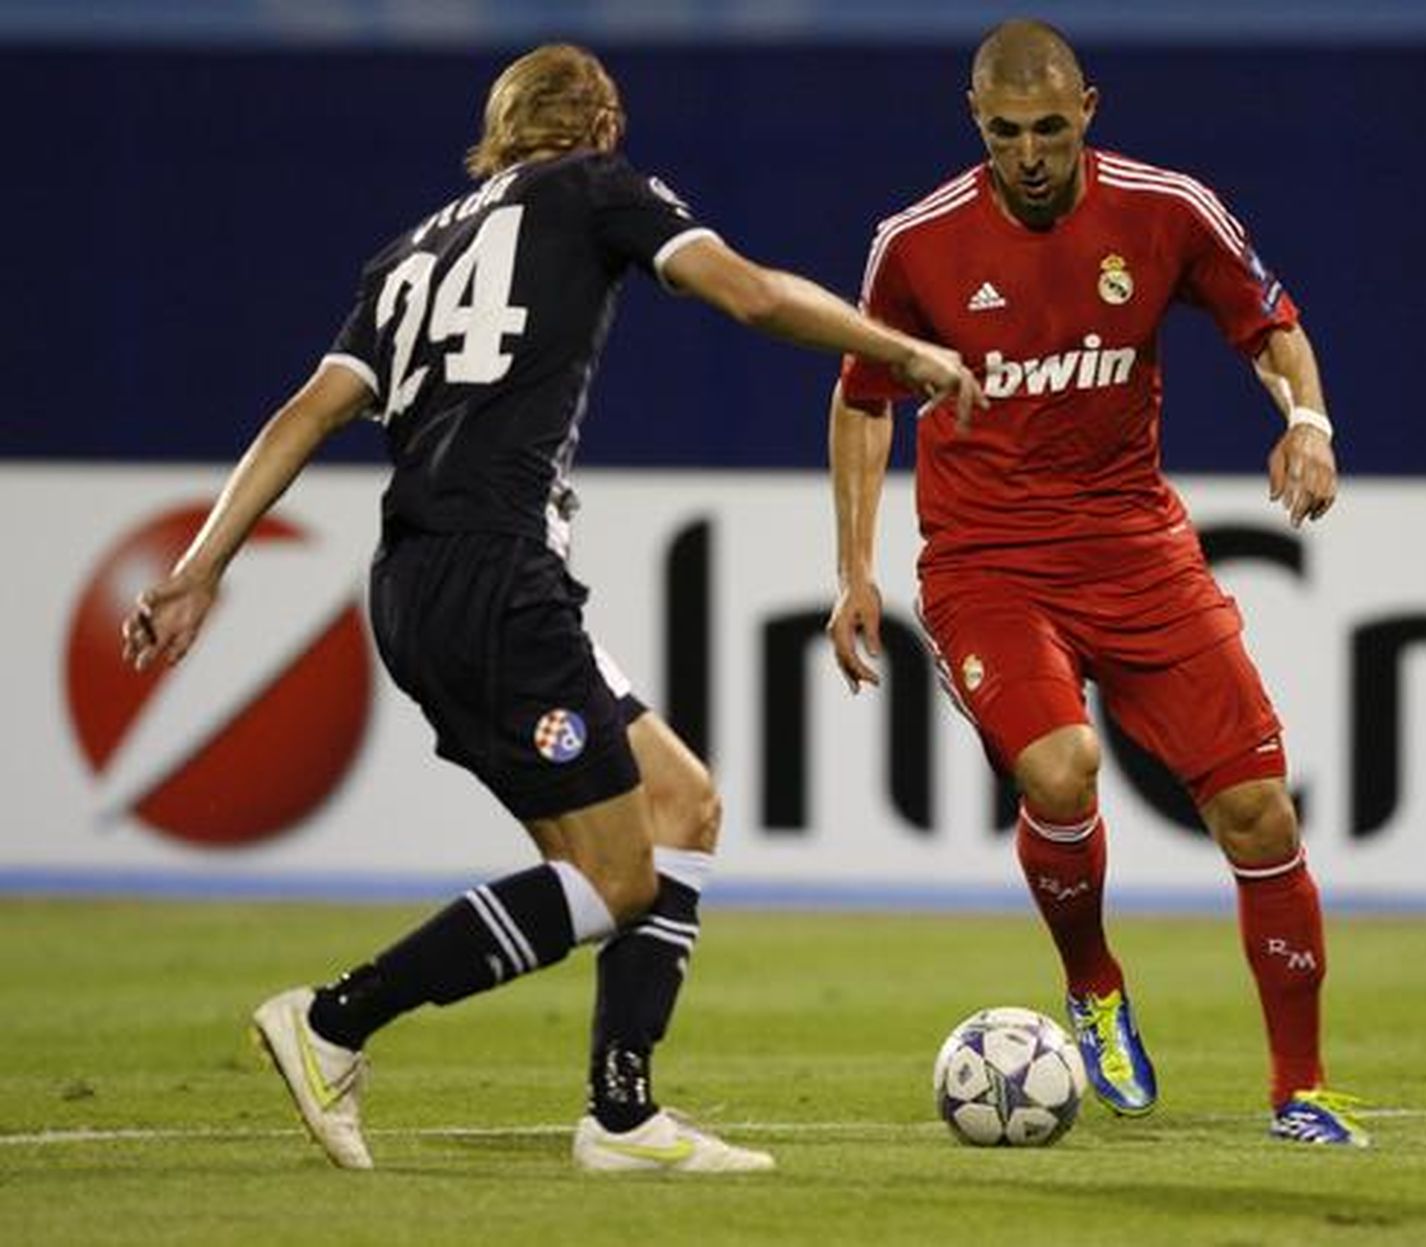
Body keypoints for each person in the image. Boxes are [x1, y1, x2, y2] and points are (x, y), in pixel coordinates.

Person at [121, 43, 983, 1173]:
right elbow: (754, 293)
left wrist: (201, 565)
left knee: (681, 806)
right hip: (494, 577)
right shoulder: (596, 188)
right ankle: (335, 1019)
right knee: (620, 875)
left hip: (420, 582)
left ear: (499, 129)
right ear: (603, 125)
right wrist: (901, 347)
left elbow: (304, 412)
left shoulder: (409, 255)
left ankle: (621, 1116)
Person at [827, 19, 1367, 1146]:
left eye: (1050, 129)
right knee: (1059, 768)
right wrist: (854, 571)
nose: (1029, 153)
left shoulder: (1167, 210)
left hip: (1135, 549)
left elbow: (1269, 325)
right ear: (976, 124)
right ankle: (1094, 984)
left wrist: (1306, 424)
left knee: (1257, 808)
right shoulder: (915, 243)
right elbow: (863, 399)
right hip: (987, 563)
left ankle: (1301, 1090)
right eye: (1006, 132)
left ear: (1089, 111)